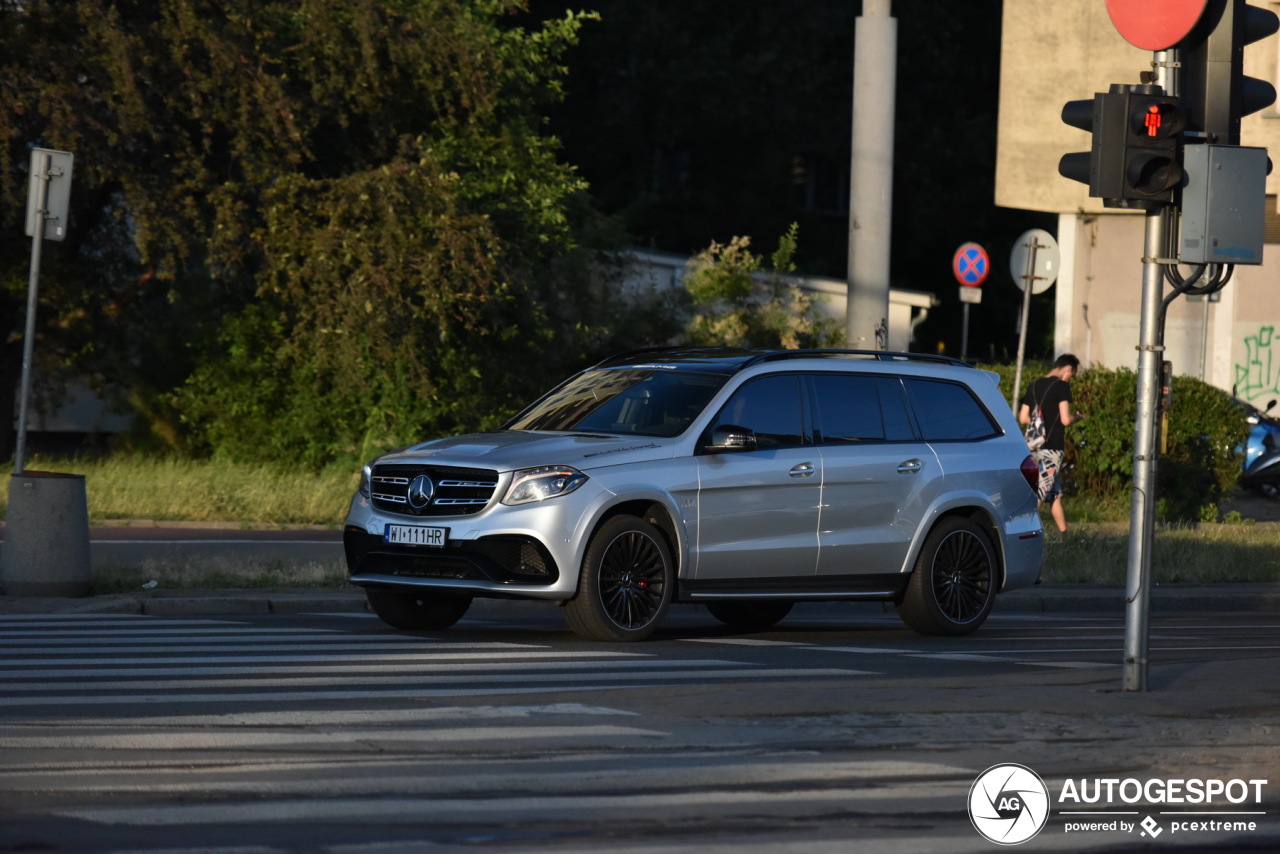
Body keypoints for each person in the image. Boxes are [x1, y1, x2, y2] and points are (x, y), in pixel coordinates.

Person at [1018, 354, 1085, 538]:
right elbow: (1065, 419)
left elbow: (1023, 418)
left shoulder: (1034, 385)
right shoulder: (1061, 386)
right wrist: (1077, 417)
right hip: (1052, 449)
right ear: (1068, 369)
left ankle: (1065, 537)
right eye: (1072, 374)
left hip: (1032, 447)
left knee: (1055, 494)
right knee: (1040, 493)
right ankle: (1025, 535)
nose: (1071, 377)